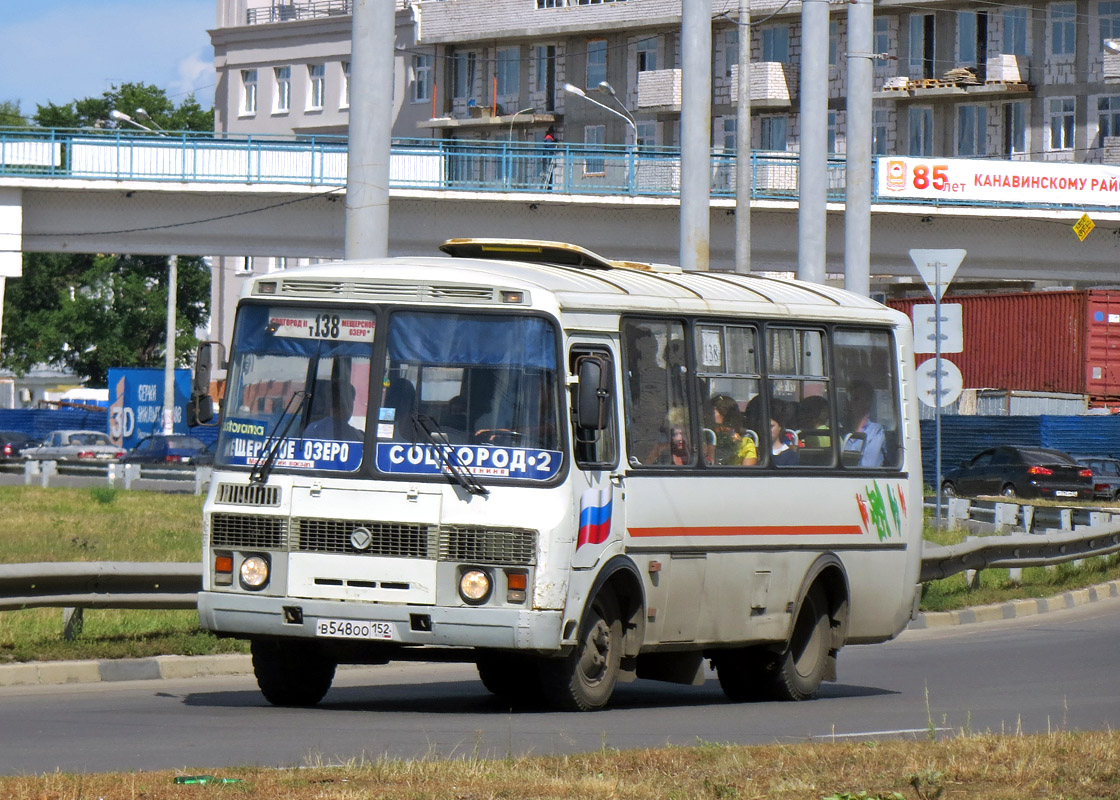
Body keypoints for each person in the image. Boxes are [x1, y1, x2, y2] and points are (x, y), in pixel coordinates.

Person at [845, 379, 886, 467]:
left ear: (868, 403)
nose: (851, 402)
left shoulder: (876, 432)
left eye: (856, 399)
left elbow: (869, 465)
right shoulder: (840, 430)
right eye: (850, 398)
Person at [708, 394, 757, 466]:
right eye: (715, 426)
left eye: (726, 425)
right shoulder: (706, 441)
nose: (721, 430)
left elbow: (747, 473)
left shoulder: (745, 444)